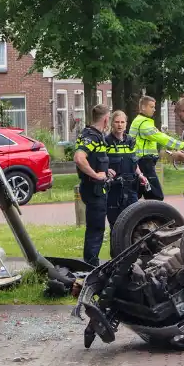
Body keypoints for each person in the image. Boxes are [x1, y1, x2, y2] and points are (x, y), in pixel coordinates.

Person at [74, 104, 111, 266]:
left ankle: (91, 263)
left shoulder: (94, 135)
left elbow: (93, 159)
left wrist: (105, 170)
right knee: (96, 228)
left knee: (96, 227)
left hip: (95, 187)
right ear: (106, 119)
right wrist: (95, 175)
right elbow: (79, 158)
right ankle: (91, 265)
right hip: (93, 189)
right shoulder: (92, 136)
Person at [129, 96, 183, 201]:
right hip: (144, 163)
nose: (154, 109)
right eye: (151, 107)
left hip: (140, 162)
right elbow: (161, 138)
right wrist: (181, 145)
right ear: (143, 108)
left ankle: (134, 215)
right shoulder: (144, 124)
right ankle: (151, 216)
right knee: (156, 197)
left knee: (136, 195)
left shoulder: (140, 121)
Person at [104, 110, 148, 228]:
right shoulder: (106, 142)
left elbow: (134, 163)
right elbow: (99, 162)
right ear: (112, 123)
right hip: (114, 189)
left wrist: (140, 175)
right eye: (117, 122)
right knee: (115, 224)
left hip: (131, 188)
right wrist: (106, 170)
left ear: (126, 124)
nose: (120, 125)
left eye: (122, 122)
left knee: (133, 222)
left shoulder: (131, 141)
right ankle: (116, 247)